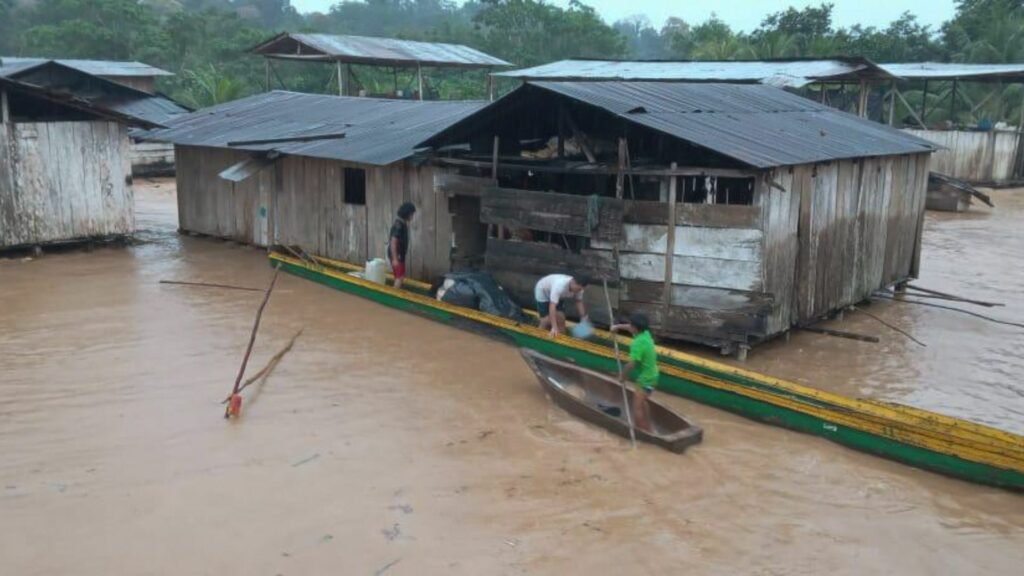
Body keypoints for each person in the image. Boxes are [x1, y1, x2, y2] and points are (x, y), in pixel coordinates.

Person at [611, 312, 658, 432]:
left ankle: (642, 432)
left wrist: (622, 377)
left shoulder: (637, 344)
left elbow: (631, 364)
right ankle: (649, 427)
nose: (629, 327)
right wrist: (617, 327)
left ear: (635, 328)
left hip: (645, 379)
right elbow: (629, 326)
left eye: (631, 325)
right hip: (653, 377)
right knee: (642, 401)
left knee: (636, 407)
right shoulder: (645, 334)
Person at [534, 273, 587, 338]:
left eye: (580, 289)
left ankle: (562, 340)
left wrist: (583, 317)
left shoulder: (580, 289)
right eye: (577, 289)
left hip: (558, 296)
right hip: (543, 291)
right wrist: (554, 327)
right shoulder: (560, 285)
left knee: (561, 318)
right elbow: (552, 306)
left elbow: (578, 301)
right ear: (573, 281)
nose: (577, 291)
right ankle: (537, 337)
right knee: (545, 320)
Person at [389, 202, 416, 289]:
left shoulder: (402, 223)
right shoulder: (399, 225)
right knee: (399, 277)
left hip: (399, 254)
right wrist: (395, 258)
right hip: (397, 255)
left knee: (399, 276)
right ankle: (393, 296)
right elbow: (393, 241)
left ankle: (395, 293)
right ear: (407, 214)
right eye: (412, 214)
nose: (412, 216)